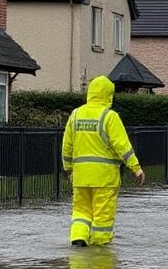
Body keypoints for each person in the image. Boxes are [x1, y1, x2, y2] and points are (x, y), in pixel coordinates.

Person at [62, 75, 145, 246]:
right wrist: (135, 167)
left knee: (80, 211)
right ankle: (100, 255)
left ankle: (78, 240)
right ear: (109, 95)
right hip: (104, 178)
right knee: (102, 217)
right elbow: (122, 146)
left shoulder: (76, 114)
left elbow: (67, 145)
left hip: (81, 177)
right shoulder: (109, 116)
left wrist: (68, 168)